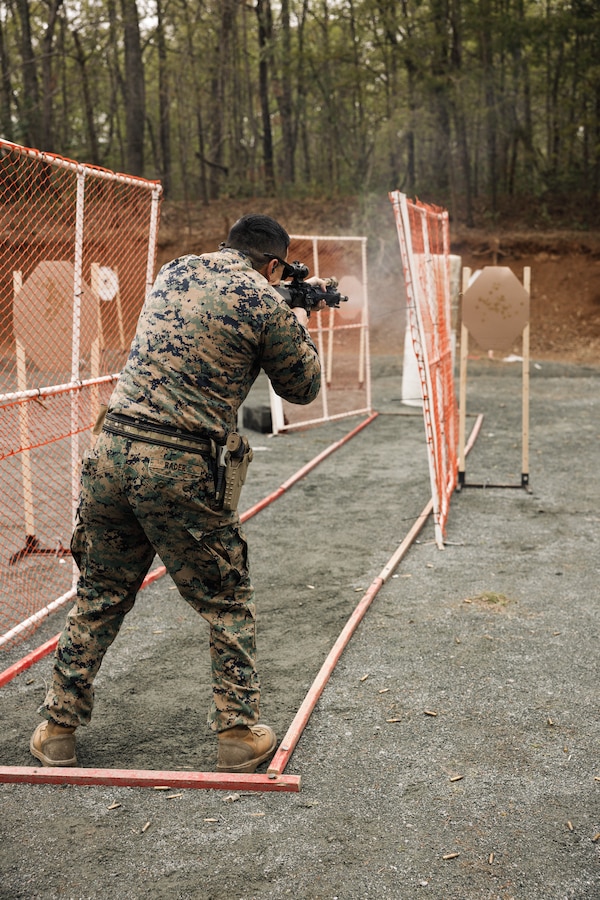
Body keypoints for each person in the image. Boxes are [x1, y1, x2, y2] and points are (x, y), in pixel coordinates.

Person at [30, 213, 322, 773]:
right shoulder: (265, 302)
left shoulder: (174, 271)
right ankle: (237, 733)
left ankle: (56, 730)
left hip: (111, 450)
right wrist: (295, 316)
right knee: (226, 600)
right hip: (181, 463)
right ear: (275, 265)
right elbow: (303, 387)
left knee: (101, 592)